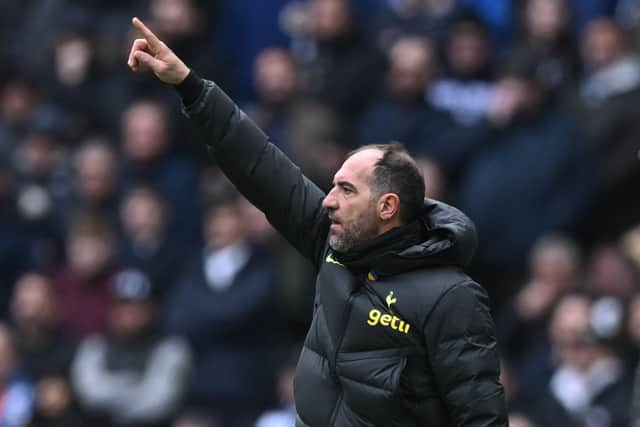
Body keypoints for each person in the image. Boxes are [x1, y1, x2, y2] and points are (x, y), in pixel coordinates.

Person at [127, 17, 507, 426]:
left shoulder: (452, 297)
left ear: (387, 206)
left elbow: (481, 417)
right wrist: (190, 86)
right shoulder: (332, 243)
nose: (328, 201)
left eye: (346, 190)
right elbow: (260, 165)